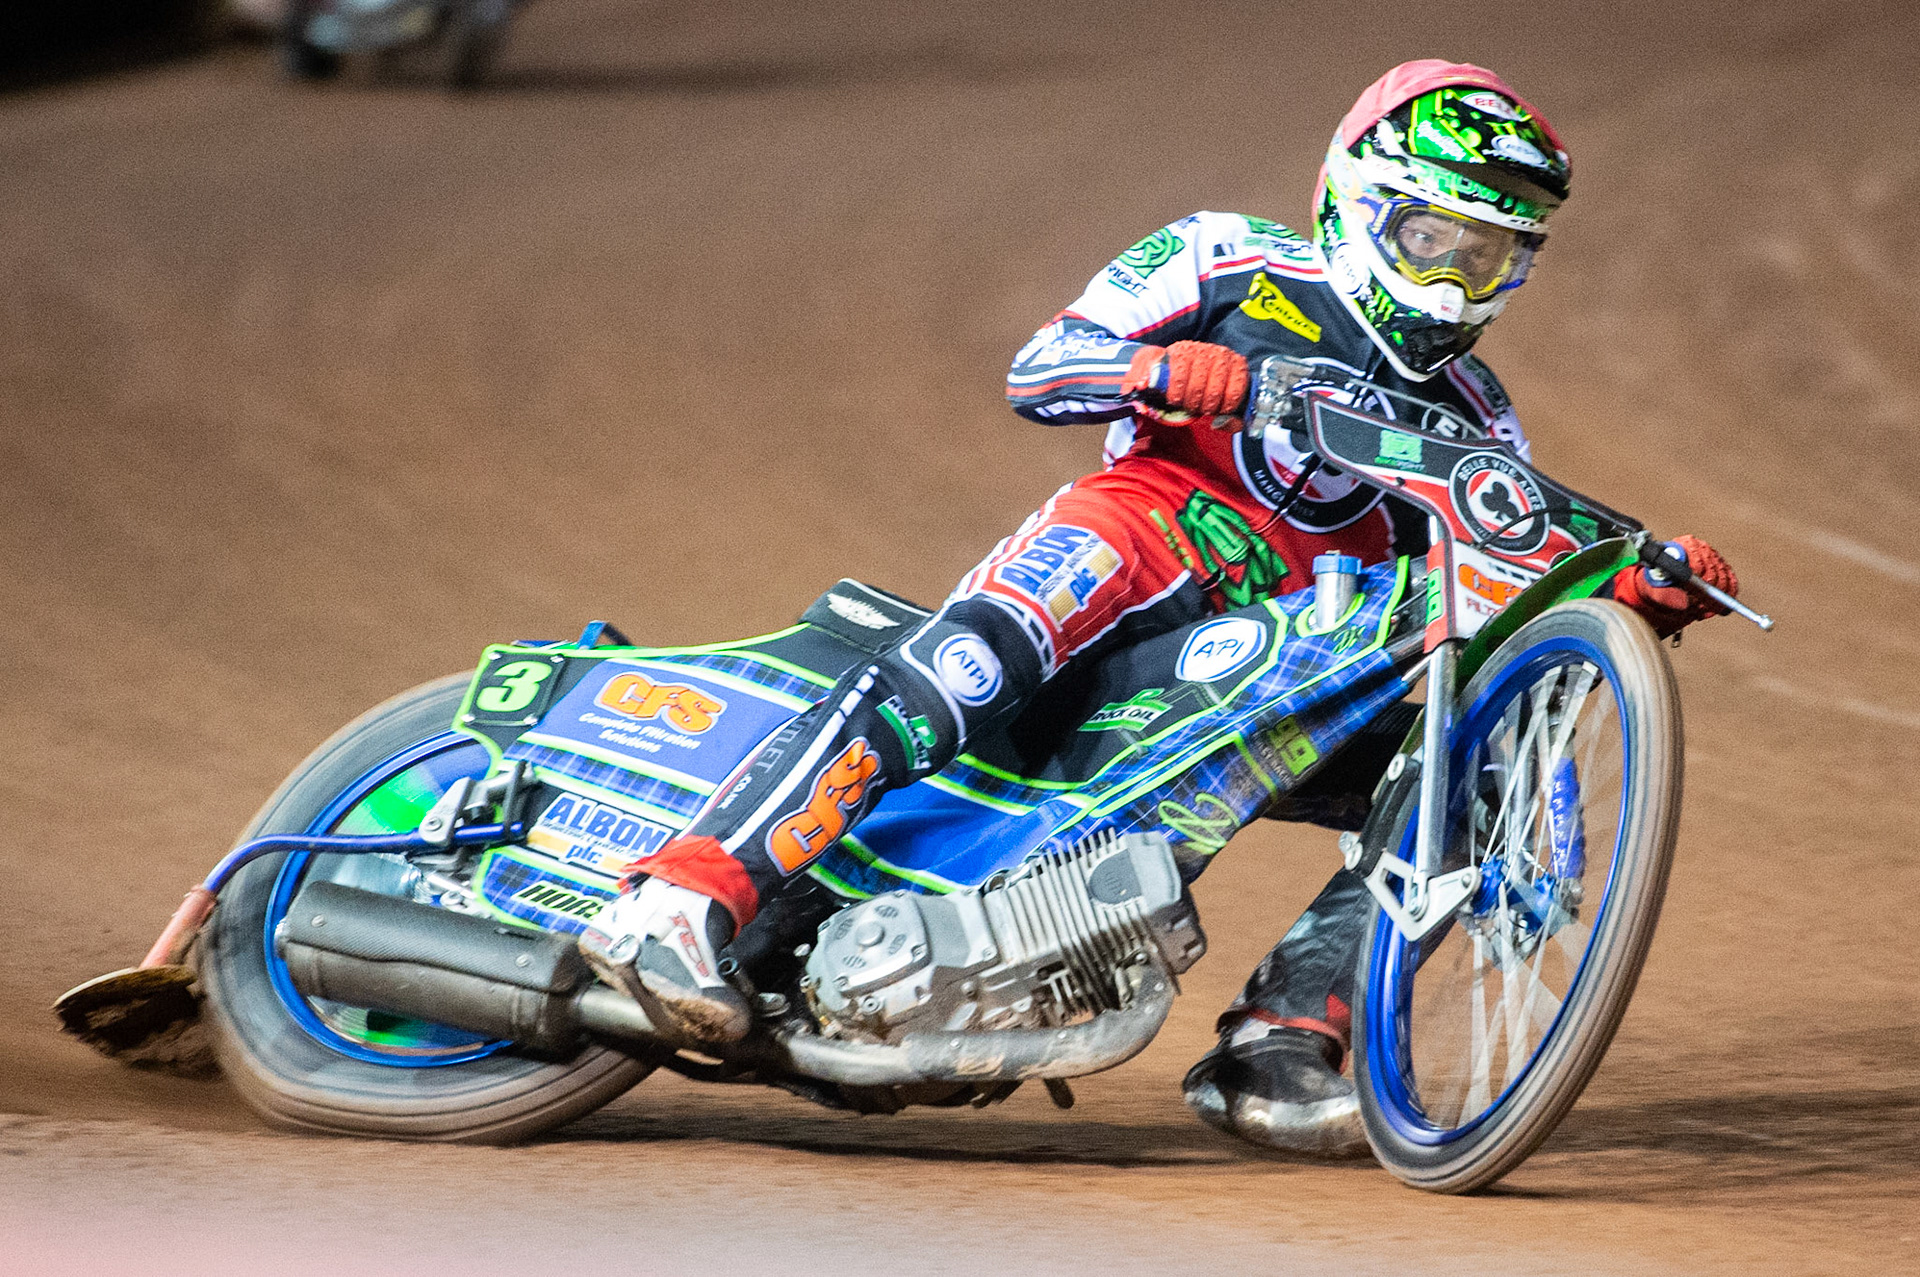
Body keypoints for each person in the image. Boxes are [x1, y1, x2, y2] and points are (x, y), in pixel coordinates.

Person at [580, 59, 1739, 1155]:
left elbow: (1506, 556)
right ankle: (682, 896)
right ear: (1354, 205)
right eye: (1428, 238)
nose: (1448, 280)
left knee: (1470, 773)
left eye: (1485, 259)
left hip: (1272, 637)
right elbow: (1040, 365)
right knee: (967, 663)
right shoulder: (1228, 256)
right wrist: (1161, 372)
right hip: (1143, 526)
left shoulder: (1477, 410)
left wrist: (1637, 580)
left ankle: (1282, 1042)